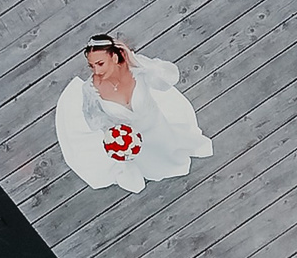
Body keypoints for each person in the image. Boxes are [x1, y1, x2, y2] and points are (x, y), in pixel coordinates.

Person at [53, 33, 212, 193]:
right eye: (92, 66)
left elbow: (169, 79)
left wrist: (136, 61)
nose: (97, 70)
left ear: (114, 58)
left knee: (168, 150)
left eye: (100, 63)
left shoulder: (138, 69)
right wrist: (115, 133)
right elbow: (95, 120)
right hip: (133, 140)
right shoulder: (90, 89)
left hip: (158, 126)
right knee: (148, 162)